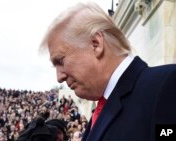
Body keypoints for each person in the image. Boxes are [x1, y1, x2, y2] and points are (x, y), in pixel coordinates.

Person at [39, 2, 176, 141]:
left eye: (60, 61)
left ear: (96, 44)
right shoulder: (99, 113)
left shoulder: (167, 85)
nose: (59, 78)